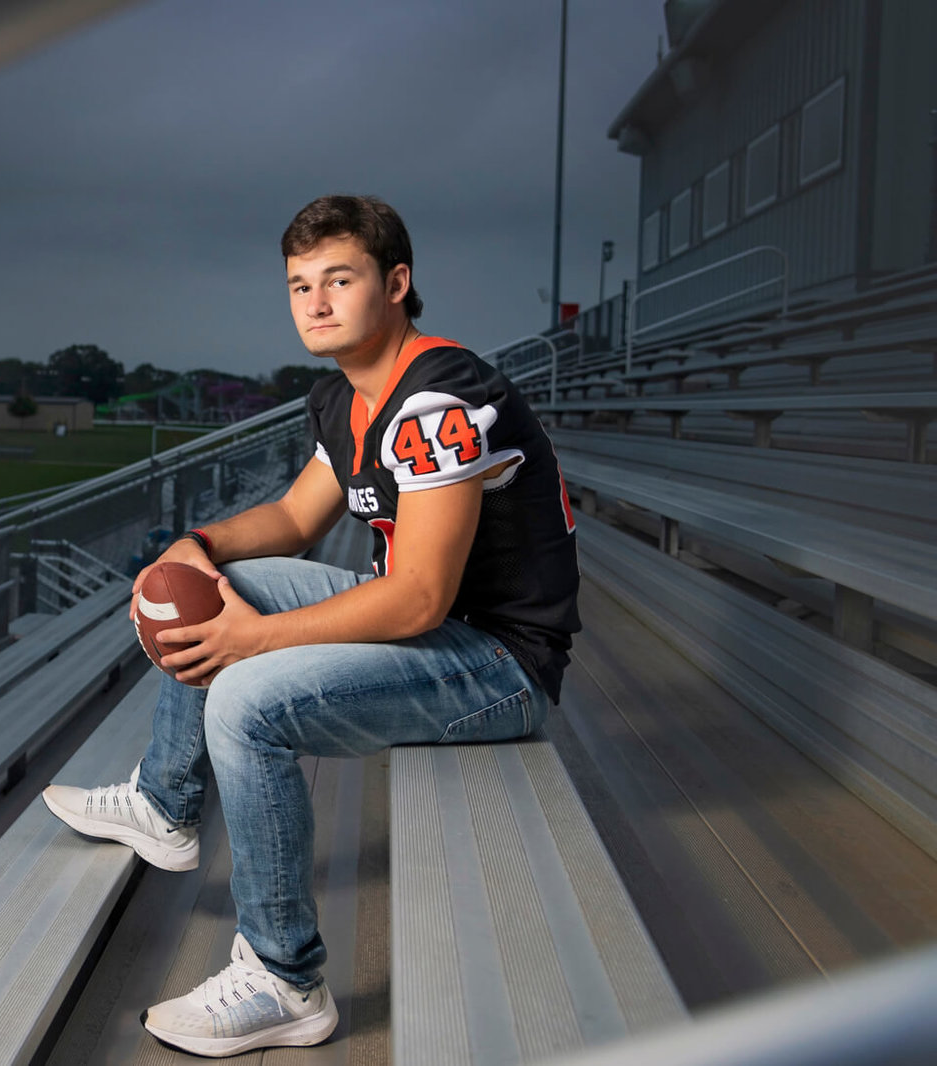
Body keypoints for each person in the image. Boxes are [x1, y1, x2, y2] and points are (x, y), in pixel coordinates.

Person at [41, 194, 581, 1057]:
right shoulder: (344, 399)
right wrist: (198, 544)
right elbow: (295, 520)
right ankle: (164, 802)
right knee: (219, 581)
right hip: (433, 637)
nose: (317, 302)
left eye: (340, 278)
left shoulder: (437, 396)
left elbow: (418, 600)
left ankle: (285, 977)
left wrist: (254, 641)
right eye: (300, 285)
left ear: (397, 284)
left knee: (246, 701)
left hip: (495, 664)